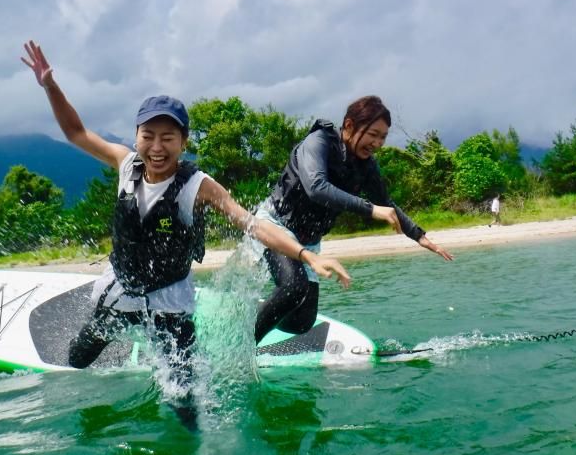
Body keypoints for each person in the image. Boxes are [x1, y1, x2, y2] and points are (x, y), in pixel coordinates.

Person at [21, 40, 349, 429]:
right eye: (148, 135)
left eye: (168, 137)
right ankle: (126, 352)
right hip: (121, 291)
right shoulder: (126, 165)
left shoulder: (198, 185)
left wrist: (305, 255)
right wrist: (50, 86)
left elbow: (254, 225)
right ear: (137, 135)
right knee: (77, 359)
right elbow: (76, 133)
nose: (157, 147)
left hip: (169, 303)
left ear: (184, 141)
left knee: (185, 402)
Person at [253, 95, 454, 344]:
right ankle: (244, 343)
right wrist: (370, 210)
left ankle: (258, 314)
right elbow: (316, 187)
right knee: (294, 287)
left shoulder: (366, 165)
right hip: (275, 226)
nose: (378, 143)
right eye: (373, 134)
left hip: (310, 241)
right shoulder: (318, 143)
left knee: (302, 320)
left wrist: (420, 236)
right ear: (349, 126)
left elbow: (386, 204)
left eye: (383, 137)